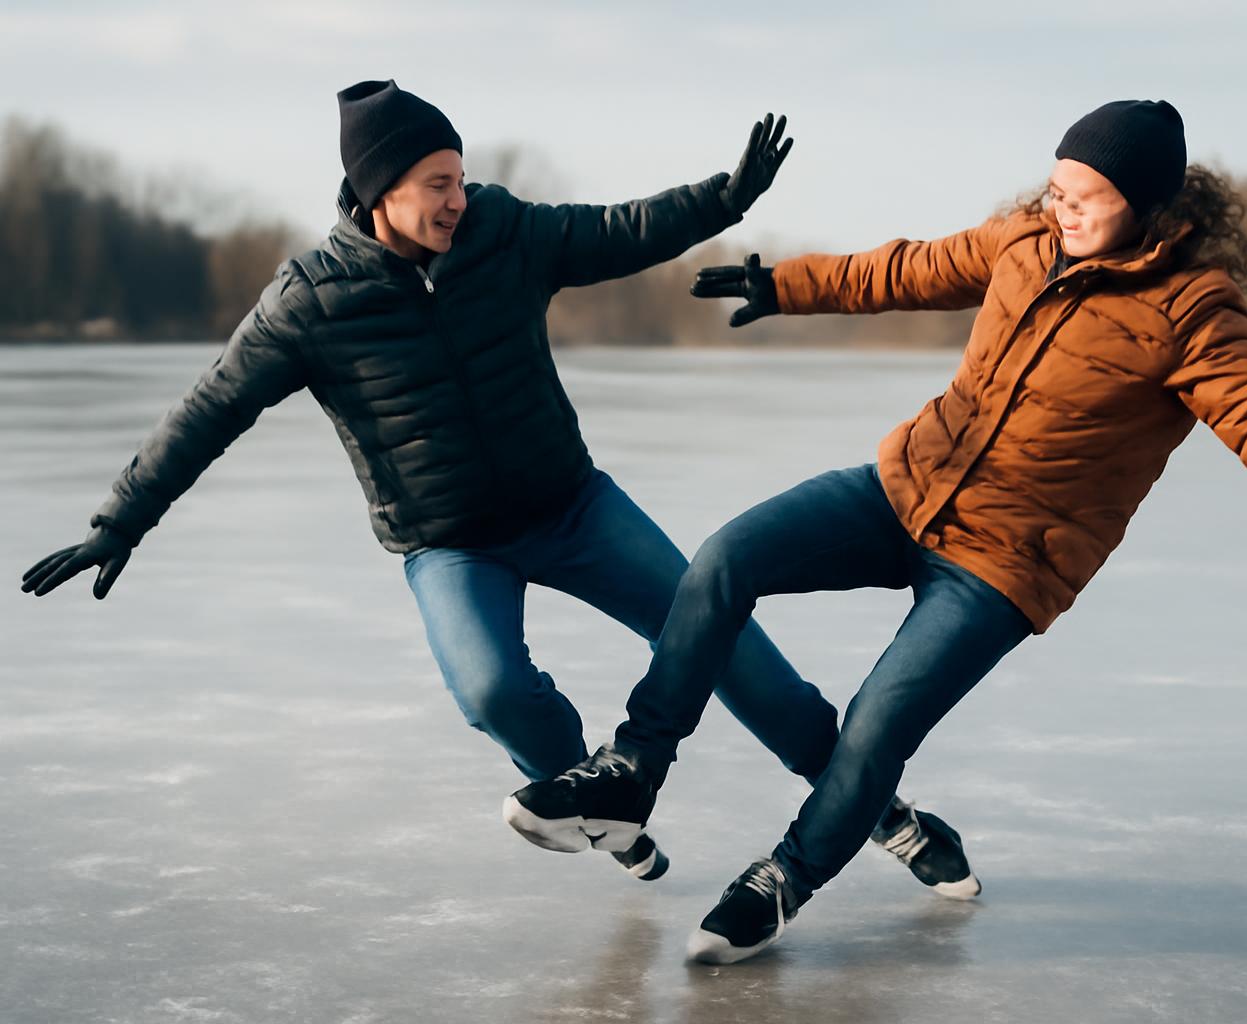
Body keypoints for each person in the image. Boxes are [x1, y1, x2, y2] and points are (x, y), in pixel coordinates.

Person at [505, 99, 1247, 962]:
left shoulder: (1191, 316)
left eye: (1086, 196)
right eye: (1057, 186)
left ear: (1146, 205)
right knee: (723, 560)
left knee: (878, 724)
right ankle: (633, 771)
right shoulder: (1024, 242)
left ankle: (785, 877)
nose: (1061, 206)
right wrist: (786, 285)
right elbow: (908, 269)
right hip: (905, 488)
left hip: (1005, 563)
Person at [19, 80, 982, 893]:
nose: (457, 197)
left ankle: (880, 812)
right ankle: (589, 797)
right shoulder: (310, 302)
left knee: (734, 647)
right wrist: (121, 521)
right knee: (490, 689)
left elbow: (618, 232)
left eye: (460, 175)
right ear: (379, 191)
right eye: (437, 182)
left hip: (573, 507)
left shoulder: (503, 232)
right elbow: (208, 409)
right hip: (450, 543)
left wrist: (723, 199)